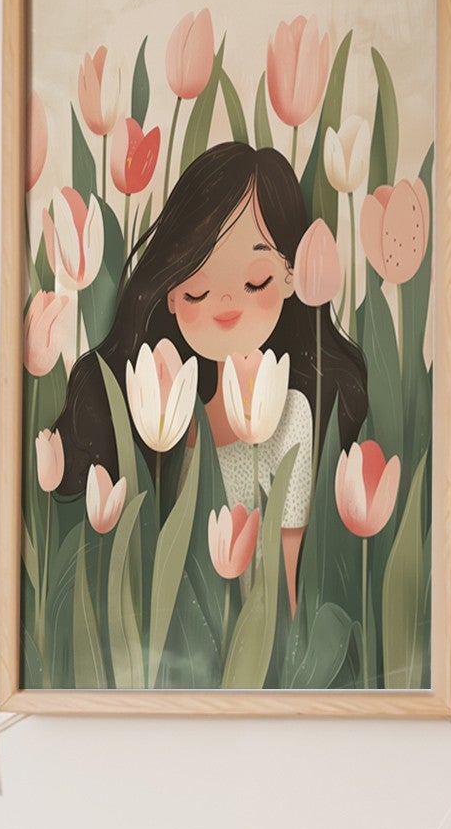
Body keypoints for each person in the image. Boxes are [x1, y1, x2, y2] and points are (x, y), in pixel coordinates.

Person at [50, 142, 365, 610]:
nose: (225, 305)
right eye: (198, 288)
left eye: (254, 281)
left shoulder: (293, 414)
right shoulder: (159, 404)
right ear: (171, 293)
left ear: (289, 277)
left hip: (252, 625)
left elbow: (289, 560)